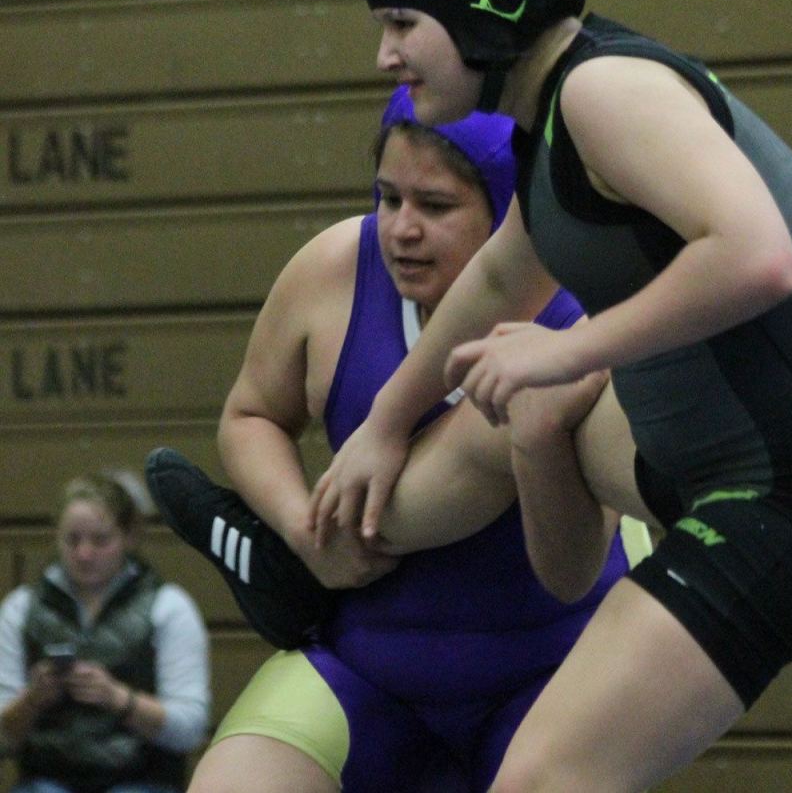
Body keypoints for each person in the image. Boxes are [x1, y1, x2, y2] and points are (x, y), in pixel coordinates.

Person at [312, 0, 792, 790]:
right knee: (524, 413)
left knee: (541, 779)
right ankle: (324, 556)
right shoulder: (550, 116)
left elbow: (758, 257)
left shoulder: (604, 91)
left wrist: (566, 352)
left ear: (476, 10)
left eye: (402, 23)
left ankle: (327, 555)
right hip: (756, 434)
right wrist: (386, 418)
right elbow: (504, 277)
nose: (385, 55)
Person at [145, 85, 641, 792]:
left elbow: (570, 568)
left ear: (509, 216)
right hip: (373, 659)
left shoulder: (582, 313)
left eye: (435, 207)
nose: (402, 230)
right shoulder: (334, 270)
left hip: (551, 663)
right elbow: (251, 415)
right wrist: (298, 528)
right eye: (388, 198)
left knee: (501, 431)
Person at [0, 471, 211, 793]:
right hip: (46, 780)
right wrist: (32, 700)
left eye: (100, 540)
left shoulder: (169, 608)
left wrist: (118, 699)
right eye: (72, 540)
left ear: (129, 537)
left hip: (142, 780)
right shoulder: (20, 608)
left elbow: (190, 730)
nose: (84, 554)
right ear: (55, 537)